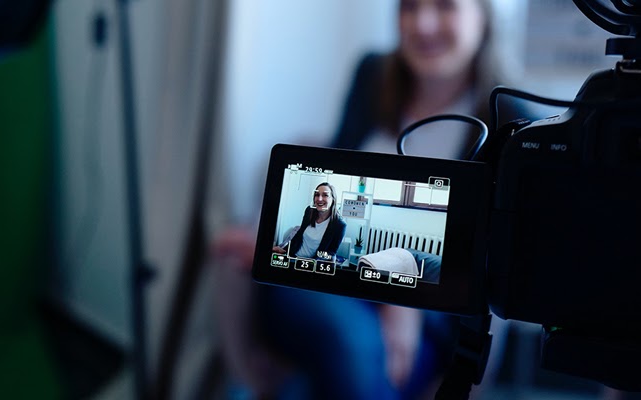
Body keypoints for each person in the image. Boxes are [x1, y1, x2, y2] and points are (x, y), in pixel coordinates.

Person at [213, 0, 530, 398]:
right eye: (410, 7)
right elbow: (330, 184)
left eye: (445, 6)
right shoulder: (373, 76)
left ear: (484, 17)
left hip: (429, 313)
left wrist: (405, 301)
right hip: (326, 279)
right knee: (345, 338)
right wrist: (268, 232)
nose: (423, 24)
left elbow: (502, 260)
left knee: (355, 348)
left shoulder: (512, 118)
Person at [272, 183, 346, 261]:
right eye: (317, 195)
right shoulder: (309, 211)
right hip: (294, 256)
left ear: (333, 199)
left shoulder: (339, 225)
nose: (319, 199)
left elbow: (331, 252)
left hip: (313, 263)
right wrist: (284, 250)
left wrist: (313, 263)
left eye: (325, 195)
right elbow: (299, 234)